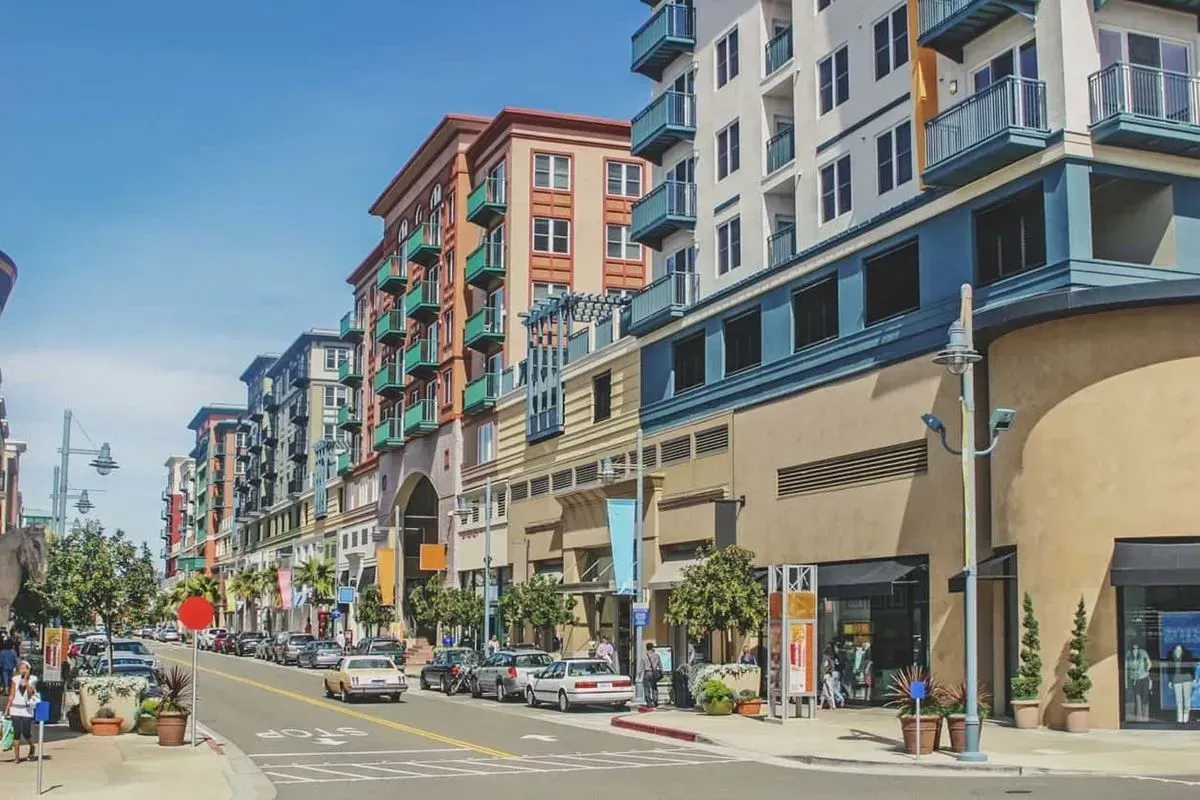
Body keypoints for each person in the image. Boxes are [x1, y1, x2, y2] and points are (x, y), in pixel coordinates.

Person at [5, 660, 39, 762]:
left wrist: (26, 681)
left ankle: (32, 746)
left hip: (27, 709)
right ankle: (17, 757)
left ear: (29, 669)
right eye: (21, 668)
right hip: (15, 708)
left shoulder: (33, 679)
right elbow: (12, 695)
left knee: (26, 732)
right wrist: (7, 709)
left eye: (25, 668)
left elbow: (31, 692)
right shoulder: (15, 679)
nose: (23, 670)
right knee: (16, 732)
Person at [638, 642, 663, 708]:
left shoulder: (644, 657)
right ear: (652, 648)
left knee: (646, 688)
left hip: (647, 673)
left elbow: (641, 667)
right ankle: (655, 701)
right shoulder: (657, 656)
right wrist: (661, 673)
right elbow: (660, 665)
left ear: (646, 648)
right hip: (654, 673)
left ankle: (648, 702)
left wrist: (639, 674)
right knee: (654, 687)